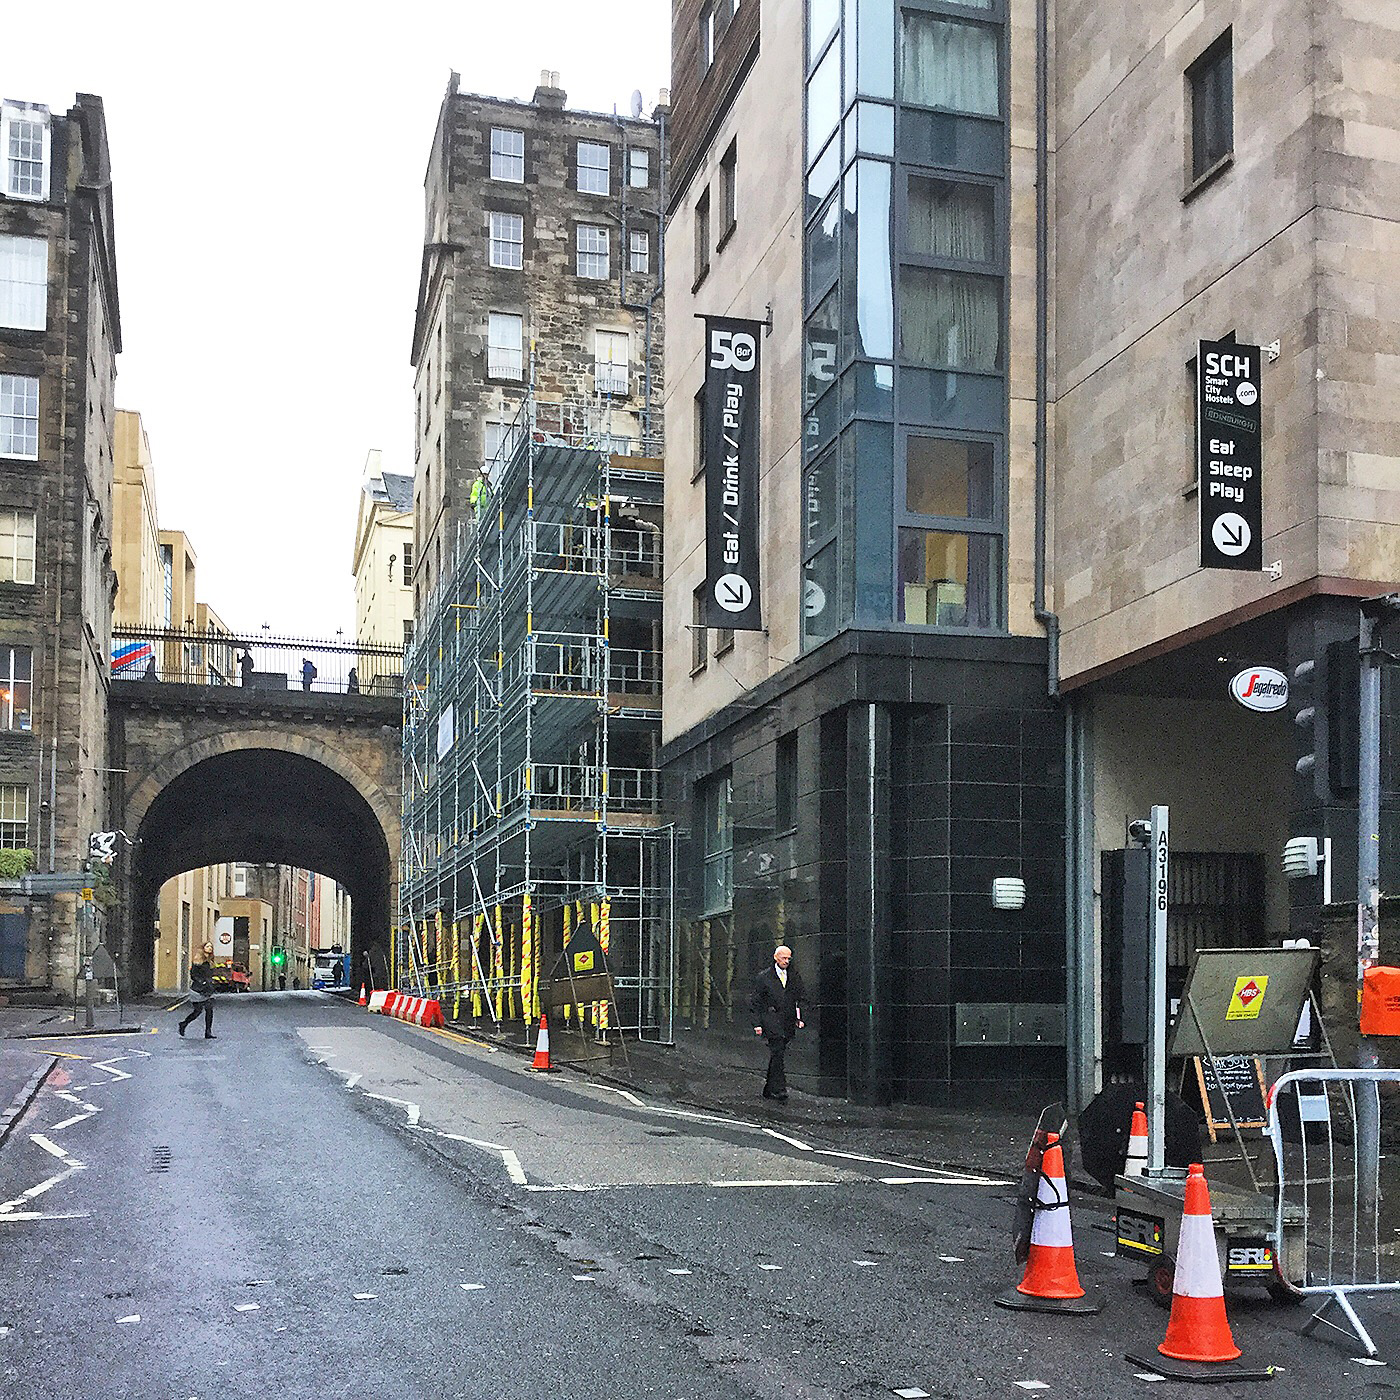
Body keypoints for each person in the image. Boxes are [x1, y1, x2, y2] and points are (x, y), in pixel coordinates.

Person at [749, 944, 805, 1101]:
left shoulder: (794, 976)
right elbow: (756, 1002)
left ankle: (769, 1087)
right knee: (778, 1051)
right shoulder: (764, 977)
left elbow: (800, 998)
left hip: (787, 1020)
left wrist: (799, 1018)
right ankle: (780, 1088)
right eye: (783, 958)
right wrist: (757, 1024)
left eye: (788, 958)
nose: (786, 961)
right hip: (771, 1020)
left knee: (777, 1053)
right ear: (776, 958)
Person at [178, 944, 217, 1039]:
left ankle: (208, 1032)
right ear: (203, 948)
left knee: (209, 1009)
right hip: (197, 989)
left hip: (208, 990)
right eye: (207, 946)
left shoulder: (210, 962)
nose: (210, 948)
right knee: (197, 1011)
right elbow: (193, 975)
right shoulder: (197, 961)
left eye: (211, 947)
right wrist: (202, 982)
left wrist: (211, 983)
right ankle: (183, 1024)